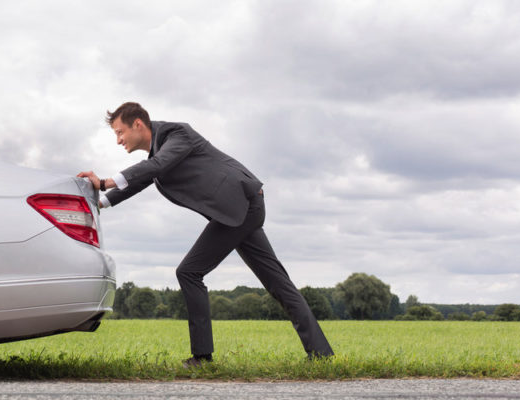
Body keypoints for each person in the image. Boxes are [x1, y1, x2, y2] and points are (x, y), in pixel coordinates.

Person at [77, 102, 334, 367]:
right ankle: (322, 355)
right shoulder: (160, 152)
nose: (118, 140)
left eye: (120, 132)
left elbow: (156, 166)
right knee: (279, 283)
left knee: (189, 272)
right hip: (240, 208)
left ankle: (202, 357)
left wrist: (105, 182)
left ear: (138, 124)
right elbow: (143, 178)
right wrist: (99, 203)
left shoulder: (177, 135)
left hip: (241, 205)